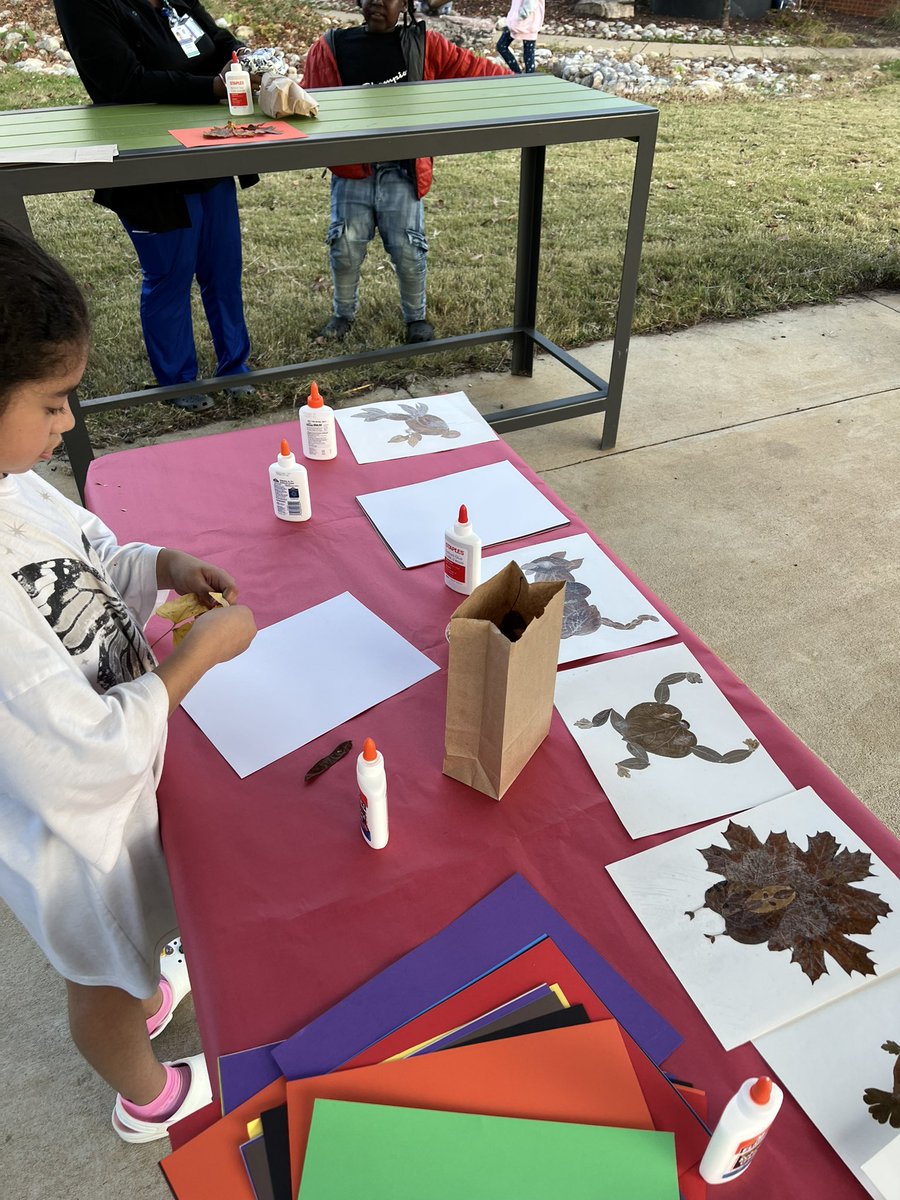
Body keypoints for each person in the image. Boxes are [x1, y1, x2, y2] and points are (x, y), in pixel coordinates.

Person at [0, 220, 257, 1141]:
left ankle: (147, 987)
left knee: (139, 937)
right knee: (102, 971)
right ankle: (145, 1097)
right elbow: (75, 763)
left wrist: (160, 566)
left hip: (117, 788)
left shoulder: (12, 478)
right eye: (52, 402)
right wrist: (195, 658)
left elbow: (88, 555)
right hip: (74, 840)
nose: (68, 422)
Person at [53, 0, 260, 412]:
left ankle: (235, 368)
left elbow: (217, 39)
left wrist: (245, 60)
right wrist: (212, 88)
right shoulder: (83, 5)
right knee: (170, 274)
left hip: (207, 149)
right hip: (149, 165)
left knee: (223, 269)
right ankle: (178, 383)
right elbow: (124, 82)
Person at [303, 0, 510, 345]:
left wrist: (525, 86)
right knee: (345, 248)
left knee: (409, 249)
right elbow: (308, 100)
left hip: (403, 171)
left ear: (404, 4)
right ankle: (342, 314)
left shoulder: (425, 45)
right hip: (352, 173)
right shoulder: (331, 47)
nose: (377, 2)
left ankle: (416, 317)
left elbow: (474, 70)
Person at [496, 0, 545, 75]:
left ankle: (523, 76)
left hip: (526, 22)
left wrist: (523, 13)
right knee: (528, 54)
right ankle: (518, 74)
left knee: (528, 55)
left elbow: (530, 3)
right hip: (517, 21)